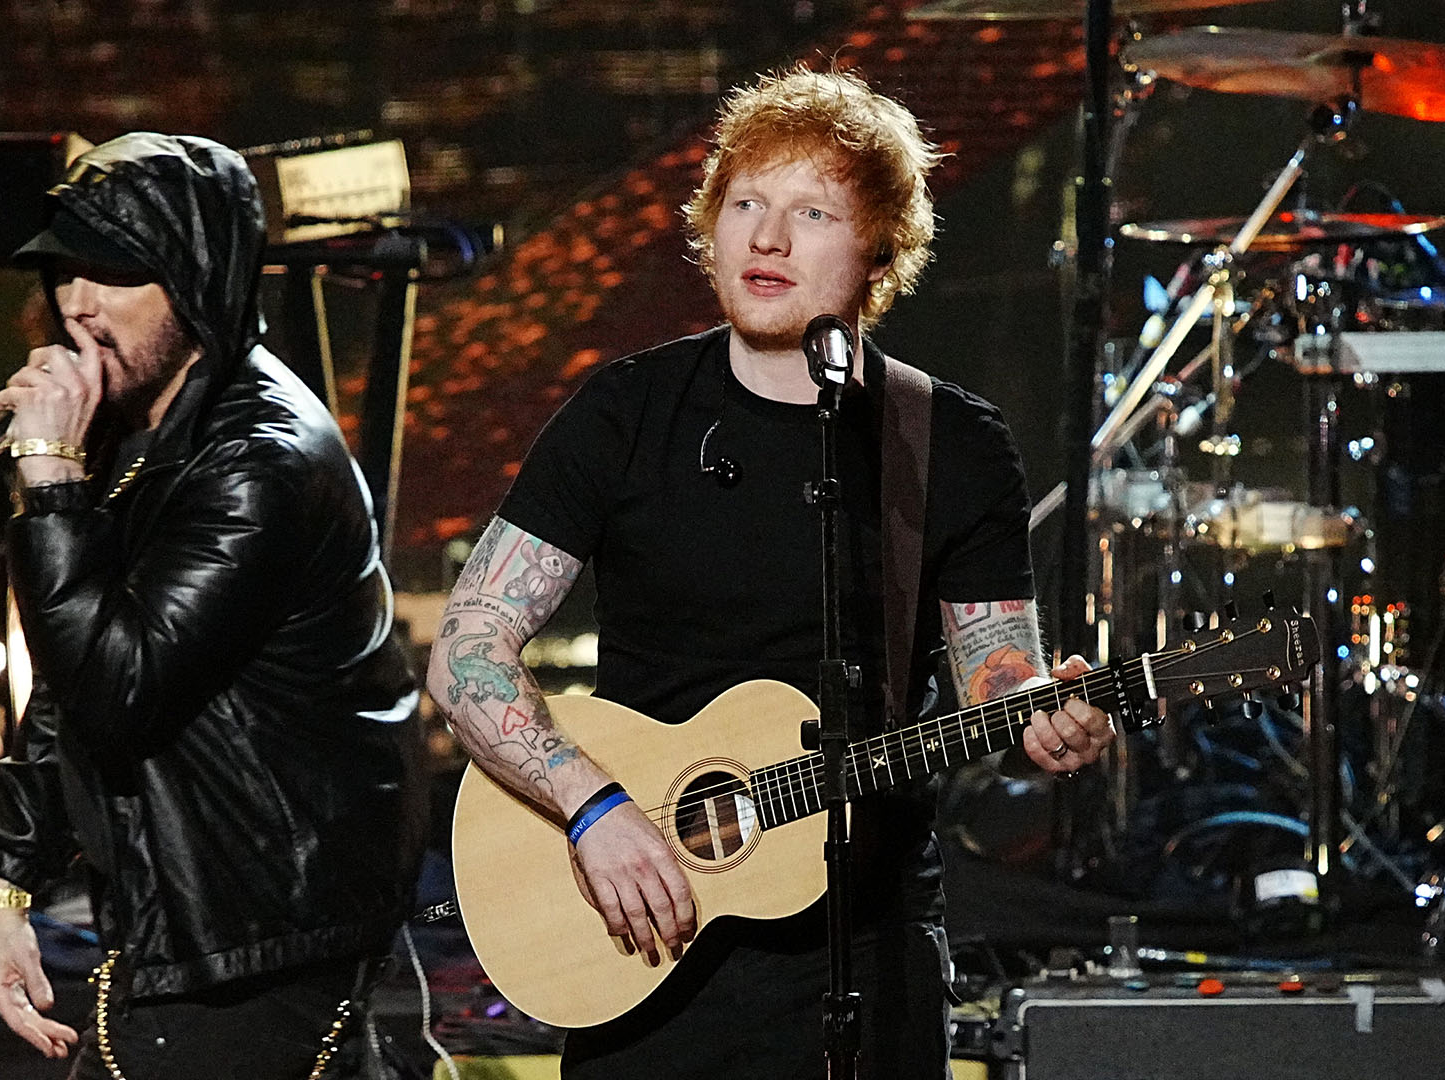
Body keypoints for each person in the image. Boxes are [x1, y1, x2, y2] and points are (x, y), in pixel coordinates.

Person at [427, 65, 1115, 1078]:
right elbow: (467, 651)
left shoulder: (949, 441)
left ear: (878, 248)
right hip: (646, 936)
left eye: (812, 211)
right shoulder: (626, 414)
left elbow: (994, 673)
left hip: (869, 956)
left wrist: (1042, 712)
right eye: (745, 203)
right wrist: (595, 807)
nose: (767, 237)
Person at [0, 133, 426, 1078]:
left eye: (115, 272)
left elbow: (113, 688)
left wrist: (52, 481)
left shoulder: (256, 463)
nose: (76, 304)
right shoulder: (148, 427)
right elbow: (71, 674)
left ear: (197, 278)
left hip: (261, 943)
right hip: (189, 930)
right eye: (65, 271)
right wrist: (4, 884)